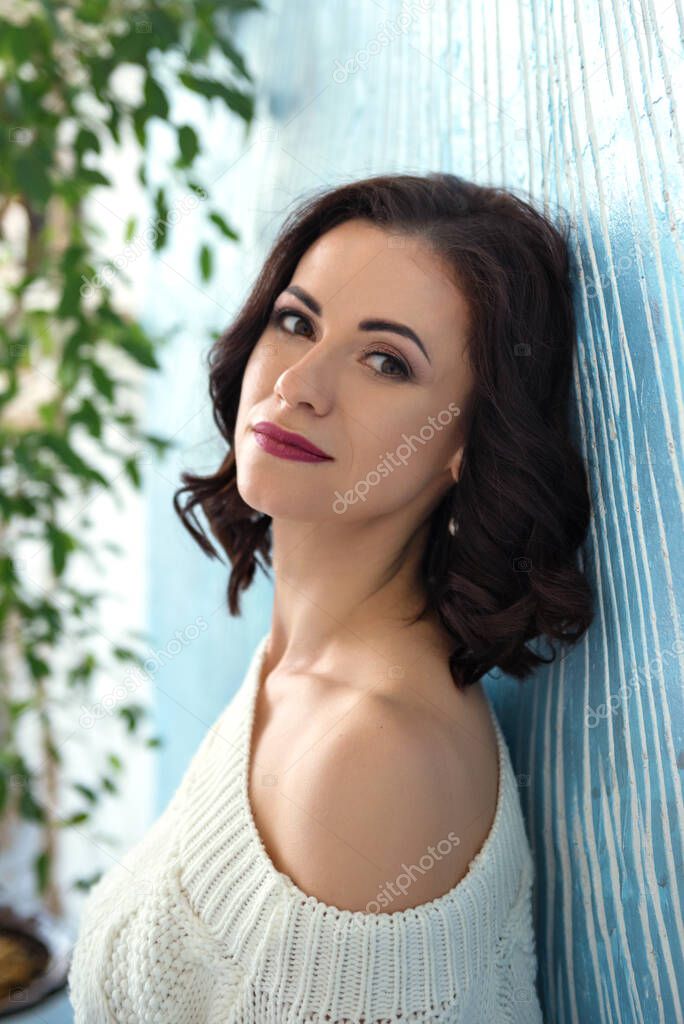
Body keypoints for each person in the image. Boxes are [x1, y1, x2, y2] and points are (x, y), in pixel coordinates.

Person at [68, 172, 594, 1022]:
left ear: (466, 442)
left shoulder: (372, 757)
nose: (300, 383)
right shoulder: (299, 658)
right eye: (297, 321)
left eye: (386, 361)